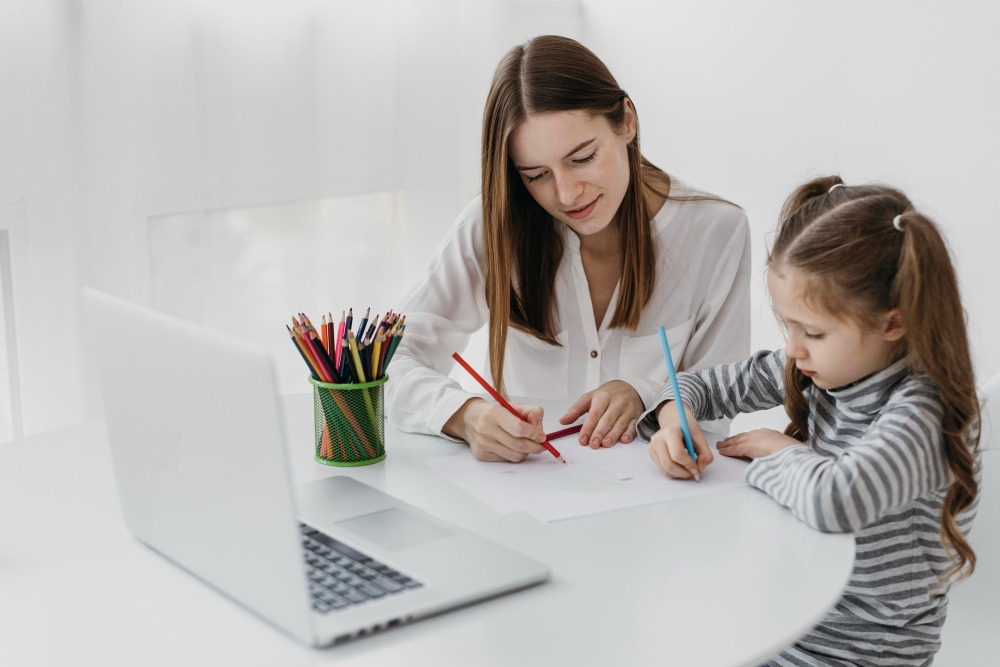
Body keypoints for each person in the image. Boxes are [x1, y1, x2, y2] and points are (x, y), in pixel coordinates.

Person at [640, 175, 981, 665]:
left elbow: (836, 499)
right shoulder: (816, 368)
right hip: (786, 628)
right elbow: (696, 385)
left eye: (813, 331)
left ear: (893, 321)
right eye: (788, 326)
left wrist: (780, 451)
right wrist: (675, 417)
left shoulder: (927, 414)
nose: (794, 348)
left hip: (858, 656)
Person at [386, 35, 751, 462]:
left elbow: (716, 405)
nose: (566, 194)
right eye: (536, 174)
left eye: (582, 158)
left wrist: (646, 396)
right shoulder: (493, 224)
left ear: (627, 121)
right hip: (520, 497)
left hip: (658, 505)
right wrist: (464, 415)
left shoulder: (717, 231)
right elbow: (386, 363)